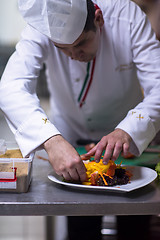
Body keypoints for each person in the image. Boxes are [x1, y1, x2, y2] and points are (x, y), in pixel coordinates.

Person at [0, 0, 160, 239]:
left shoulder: (128, 16)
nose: (74, 55)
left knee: (134, 226)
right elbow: (11, 86)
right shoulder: (41, 26)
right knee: (80, 227)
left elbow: (158, 86)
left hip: (128, 143)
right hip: (68, 141)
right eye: (62, 49)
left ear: (99, 19)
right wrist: (52, 141)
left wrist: (128, 130)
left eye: (81, 43)